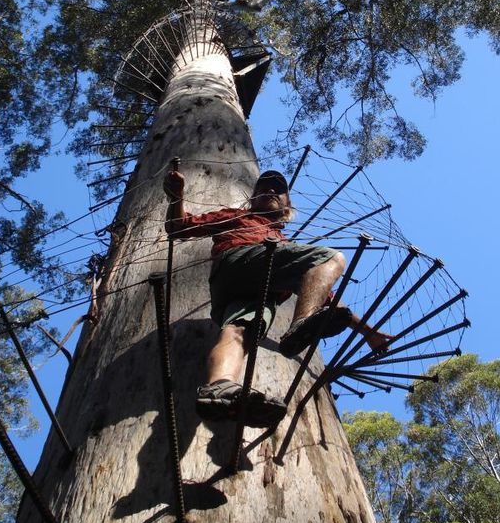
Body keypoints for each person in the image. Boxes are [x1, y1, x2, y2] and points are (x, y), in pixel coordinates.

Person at [164, 168, 391, 427]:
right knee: (332, 258)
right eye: (264, 187)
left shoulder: (288, 249)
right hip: (239, 260)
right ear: (253, 198)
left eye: (278, 189)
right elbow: (177, 227)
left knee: (239, 331)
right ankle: (301, 323)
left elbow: (326, 297)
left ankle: (218, 388)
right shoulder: (238, 216)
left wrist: (368, 332)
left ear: (287, 206)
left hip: (254, 292)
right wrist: (176, 197)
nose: (270, 190)